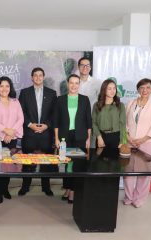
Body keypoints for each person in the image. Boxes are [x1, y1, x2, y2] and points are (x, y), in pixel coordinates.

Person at [18, 67, 57, 196]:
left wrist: (46, 125)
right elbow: (21, 112)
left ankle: (46, 187)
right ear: (32, 77)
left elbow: (54, 114)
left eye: (40, 75)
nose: (38, 77)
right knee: (28, 162)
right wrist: (30, 125)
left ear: (44, 77)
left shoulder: (52, 93)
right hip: (30, 133)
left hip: (46, 134)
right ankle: (25, 186)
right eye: (35, 75)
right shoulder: (24, 92)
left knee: (46, 162)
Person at [124, 78, 151, 208]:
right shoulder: (130, 103)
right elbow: (124, 123)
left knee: (144, 173)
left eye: (147, 87)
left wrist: (143, 139)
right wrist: (128, 137)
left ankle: (139, 198)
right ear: (138, 89)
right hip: (130, 142)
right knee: (128, 171)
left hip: (147, 143)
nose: (144, 90)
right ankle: (128, 196)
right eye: (142, 87)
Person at [54, 74, 92, 204]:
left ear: (79, 84)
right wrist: (56, 139)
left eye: (77, 83)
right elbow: (56, 121)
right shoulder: (60, 99)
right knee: (67, 163)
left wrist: (88, 138)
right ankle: (68, 188)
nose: (74, 85)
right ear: (67, 83)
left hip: (80, 136)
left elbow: (88, 121)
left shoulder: (84, 99)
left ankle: (73, 191)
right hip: (64, 137)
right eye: (72, 83)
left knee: (77, 164)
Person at [0, 76, 24, 203]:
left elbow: (21, 119)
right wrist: (5, 131)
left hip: (11, 138)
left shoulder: (16, 102)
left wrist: (11, 132)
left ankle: (5, 189)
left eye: (7, 86)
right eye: (1, 86)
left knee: (8, 165)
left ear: (10, 88)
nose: (4, 88)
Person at [92, 79, 126, 148]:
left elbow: (123, 124)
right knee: (99, 158)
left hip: (116, 137)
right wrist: (99, 137)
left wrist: (122, 141)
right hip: (101, 136)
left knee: (114, 158)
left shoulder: (120, 105)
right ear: (104, 90)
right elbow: (93, 122)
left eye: (114, 88)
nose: (112, 91)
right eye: (109, 89)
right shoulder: (97, 105)